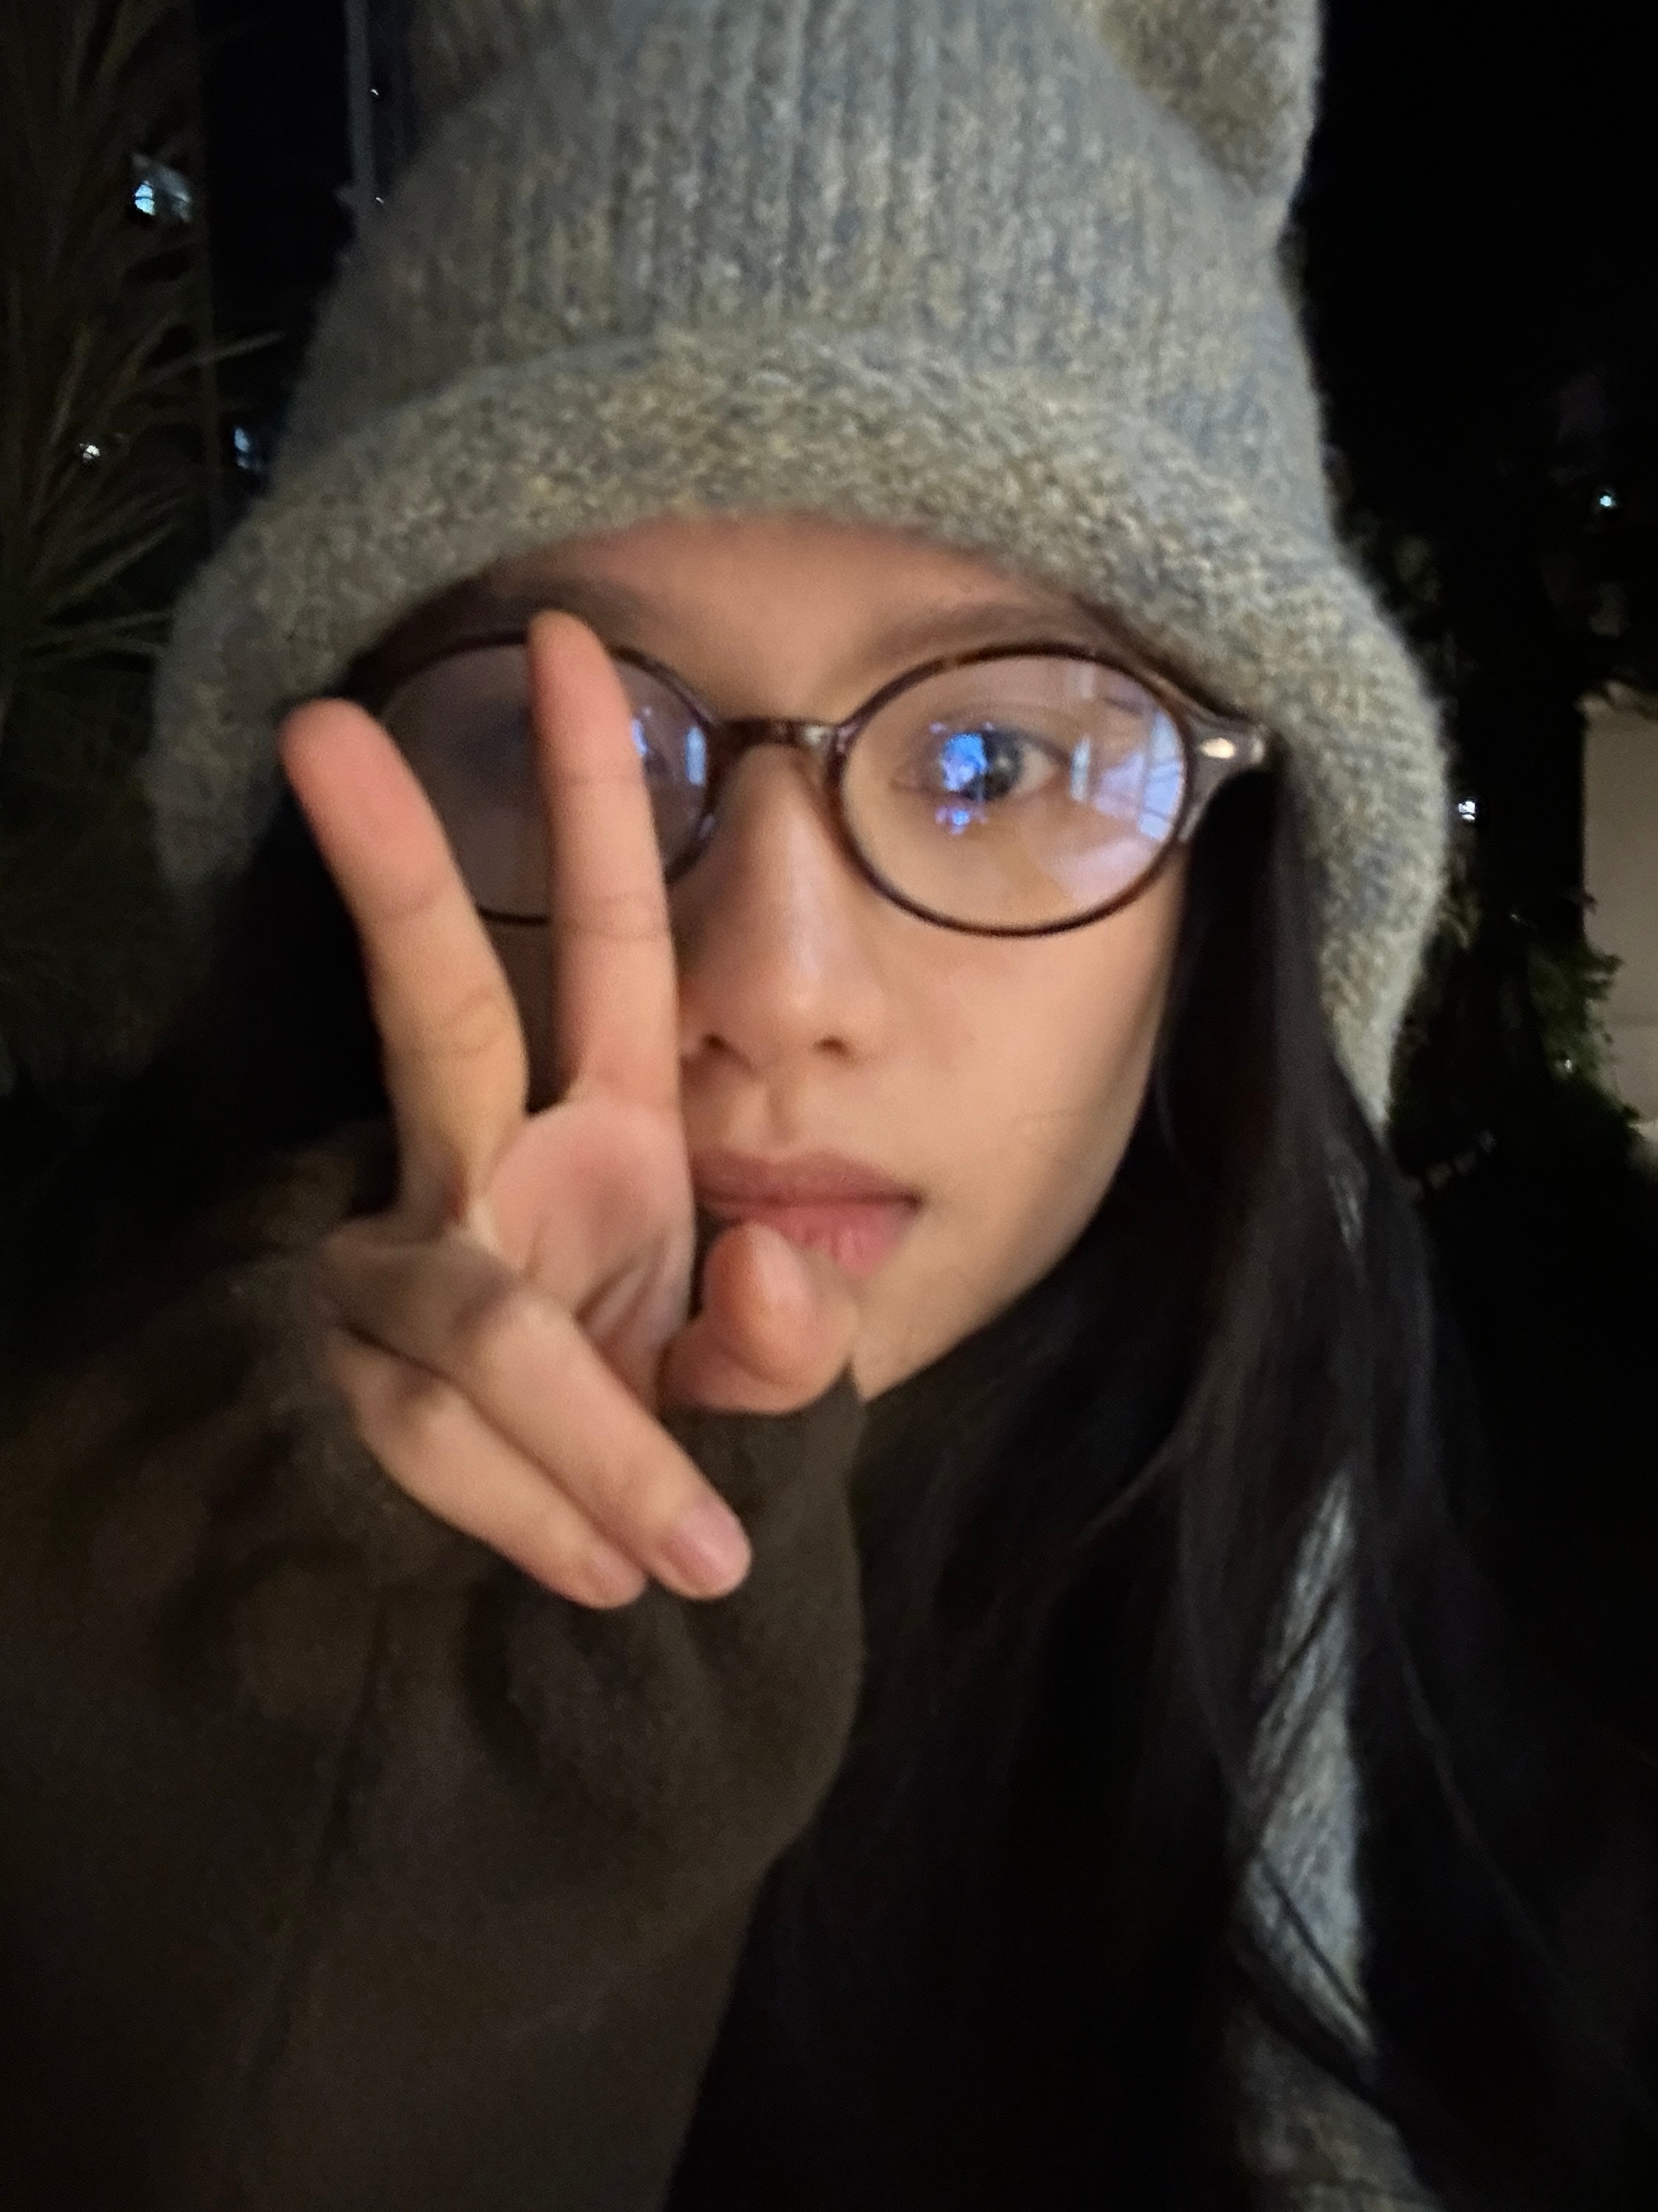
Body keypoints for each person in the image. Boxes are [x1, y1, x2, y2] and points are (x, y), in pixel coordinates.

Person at [0, 1, 1653, 2207]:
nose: (769, 994)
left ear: (1233, 885)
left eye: (993, 759)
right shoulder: (71, 1569)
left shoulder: (1561, 1792)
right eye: (575, 748)